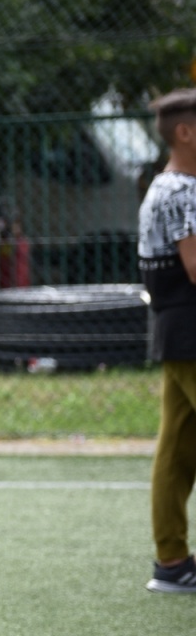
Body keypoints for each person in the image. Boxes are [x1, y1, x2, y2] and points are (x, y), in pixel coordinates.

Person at [138, 88, 196, 594]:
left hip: (176, 329)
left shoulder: (165, 186)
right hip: (190, 328)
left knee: (177, 448)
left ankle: (172, 560)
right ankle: (172, 560)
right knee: (176, 447)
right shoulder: (182, 190)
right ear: (185, 132)